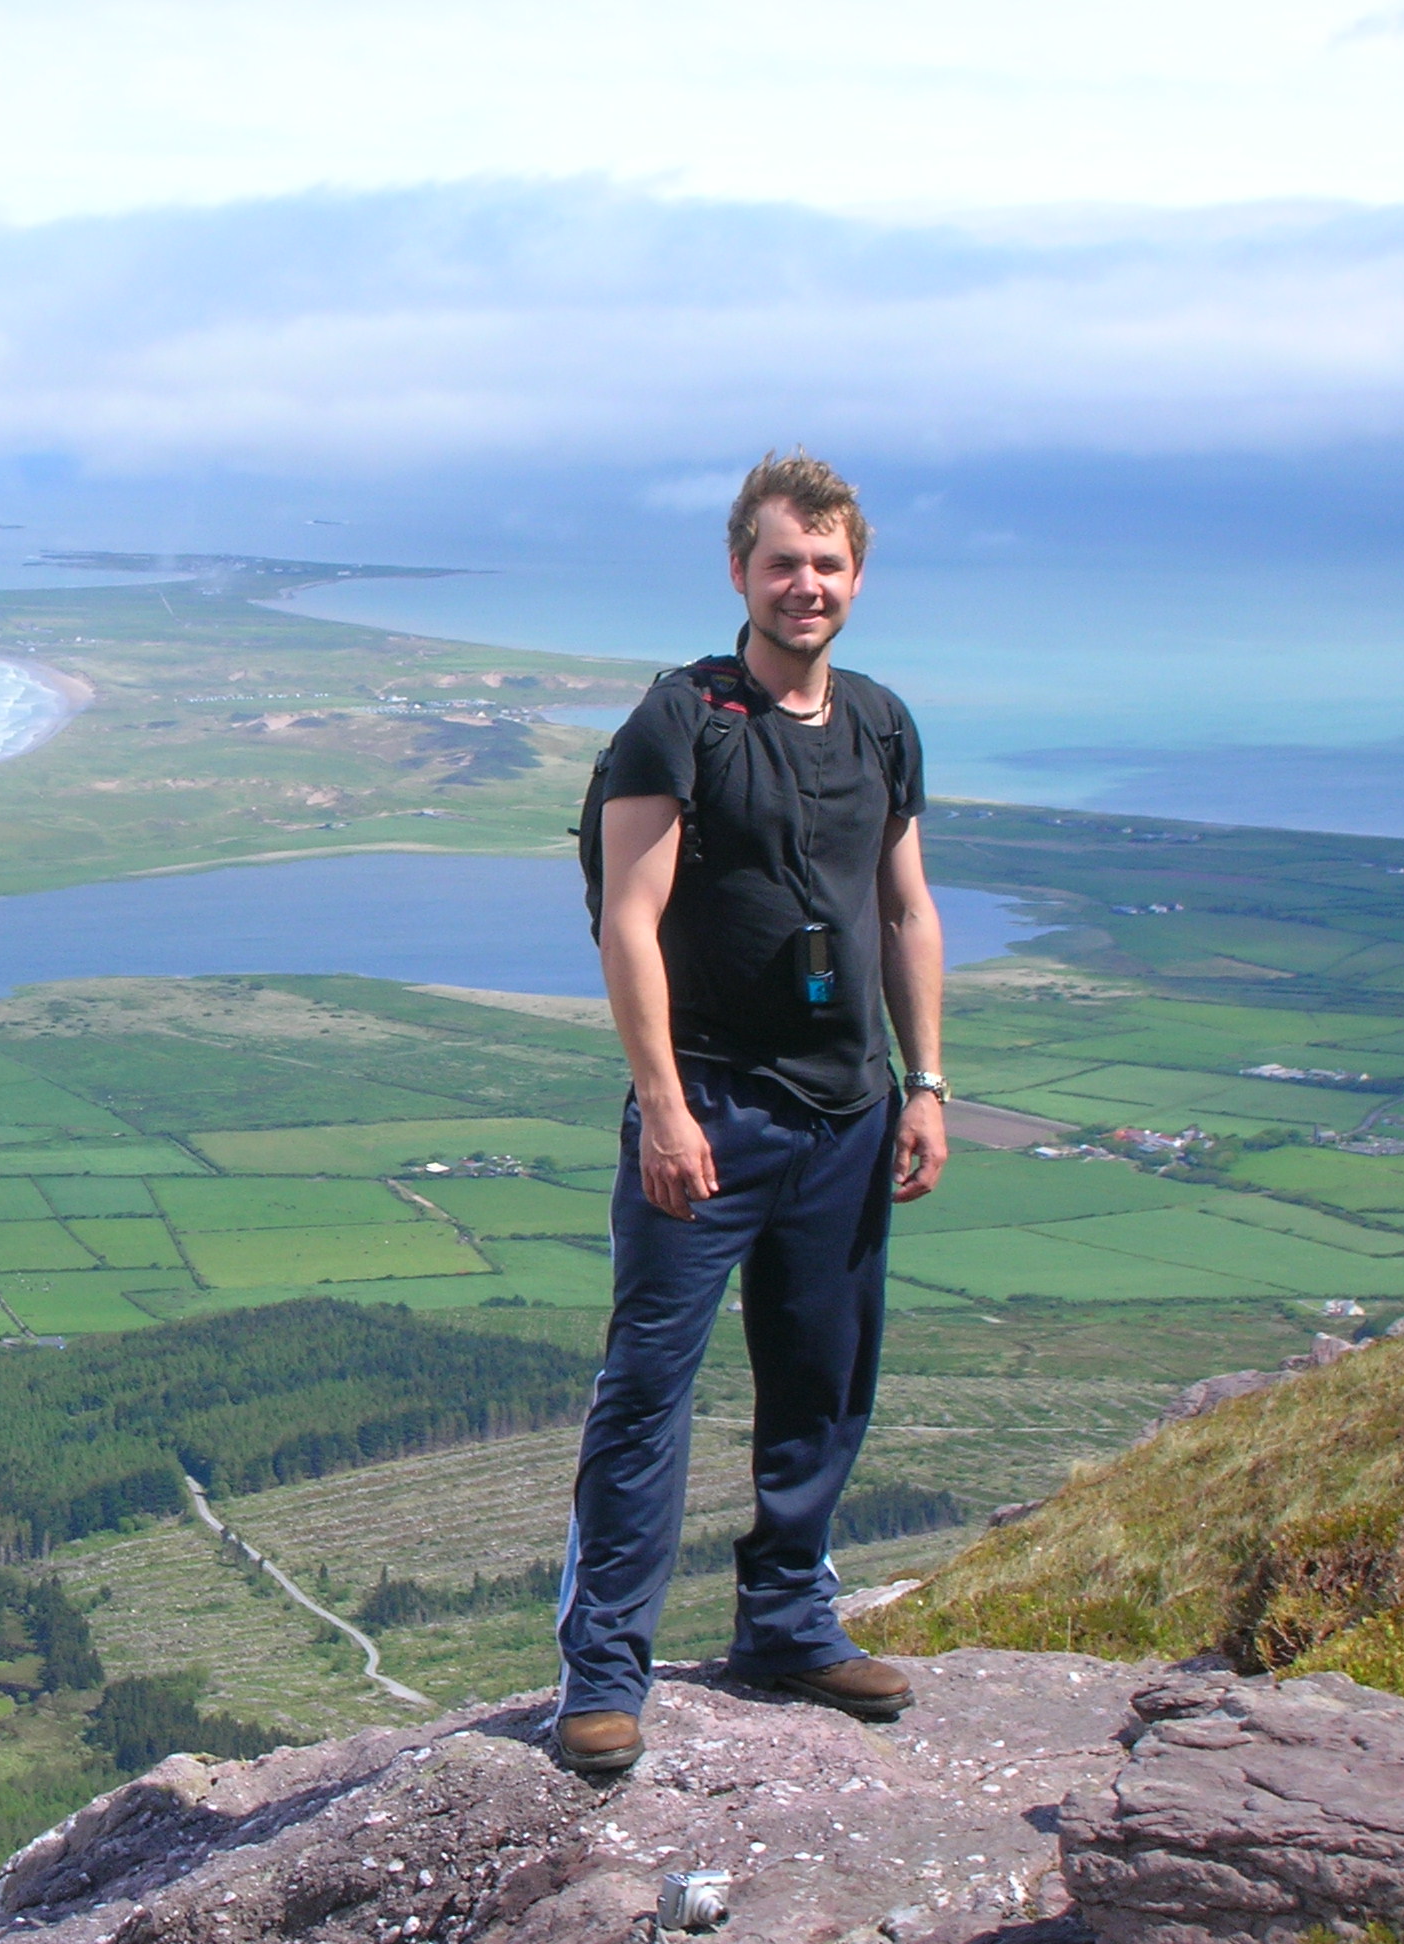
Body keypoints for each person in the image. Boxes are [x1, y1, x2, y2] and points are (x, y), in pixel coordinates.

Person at [554, 452, 949, 1777]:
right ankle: (603, 1675)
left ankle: (788, 1622)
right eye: (783, 561)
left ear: (859, 575)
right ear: (739, 571)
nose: (807, 586)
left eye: (829, 564)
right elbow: (627, 918)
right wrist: (664, 1109)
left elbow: (904, 911)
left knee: (823, 1384)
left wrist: (928, 1083)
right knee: (648, 1392)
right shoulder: (683, 721)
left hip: (847, 1112)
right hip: (709, 1112)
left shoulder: (882, 724)